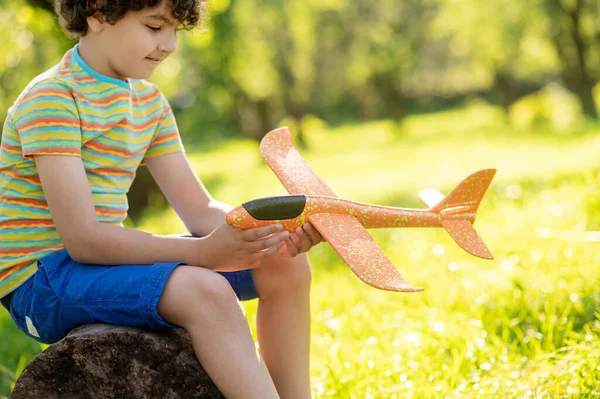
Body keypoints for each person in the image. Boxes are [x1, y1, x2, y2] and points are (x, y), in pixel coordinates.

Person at [0, 1, 322, 397]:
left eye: (175, 31)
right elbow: (82, 239)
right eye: (154, 27)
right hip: (42, 281)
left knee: (283, 261)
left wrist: (271, 231)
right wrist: (204, 254)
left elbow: (200, 210)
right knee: (204, 290)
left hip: (93, 264)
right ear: (98, 12)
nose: (169, 44)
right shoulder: (53, 99)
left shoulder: (149, 103)